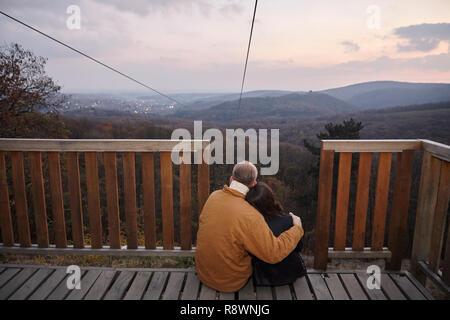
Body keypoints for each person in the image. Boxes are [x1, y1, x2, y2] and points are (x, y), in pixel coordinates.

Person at [195, 161, 304, 293]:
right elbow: (273, 254)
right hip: (230, 281)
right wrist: (297, 229)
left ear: (231, 179)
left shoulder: (214, 196)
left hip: (204, 273)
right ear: (254, 184)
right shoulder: (250, 214)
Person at [245, 182, 307, 286]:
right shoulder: (289, 220)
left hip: (263, 277)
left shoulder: (251, 227)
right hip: (290, 274)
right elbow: (298, 247)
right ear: (271, 199)